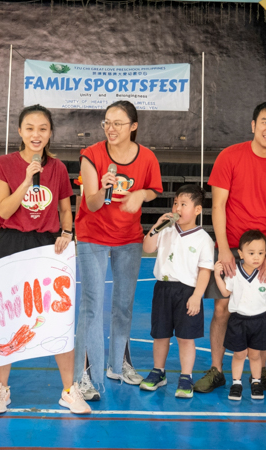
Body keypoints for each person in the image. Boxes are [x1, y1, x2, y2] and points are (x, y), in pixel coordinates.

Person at [0, 104, 90, 415]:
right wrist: (27, 178)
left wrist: (67, 232)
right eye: (30, 128)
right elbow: (4, 210)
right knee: (7, 318)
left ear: (50, 133)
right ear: (19, 132)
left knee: (59, 318)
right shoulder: (4, 164)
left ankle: (69, 391)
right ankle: (2, 389)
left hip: (47, 246)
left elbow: (64, 209)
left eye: (43, 129)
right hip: (12, 242)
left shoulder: (57, 168)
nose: (36, 134)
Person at [196, 101, 266, 395]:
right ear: (253, 125)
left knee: (263, 312)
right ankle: (216, 370)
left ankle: (259, 372)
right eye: (265, 122)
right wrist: (225, 249)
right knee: (223, 308)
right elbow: (218, 206)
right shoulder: (230, 157)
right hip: (231, 249)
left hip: (265, 254)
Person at [74, 100, 163, 401]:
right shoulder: (92, 155)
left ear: (133, 126)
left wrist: (140, 193)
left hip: (128, 238)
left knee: (123, 306)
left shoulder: (147, 157)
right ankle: (84, 375)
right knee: (92, 305)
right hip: (92, 236)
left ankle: (118, 364)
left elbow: (153, 189)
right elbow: (93, 204)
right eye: (106, 122)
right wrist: (103, 186)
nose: (110, 128)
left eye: (118, 123)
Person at [139, 185, 214, 398]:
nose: (177, 208)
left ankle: (185, 376)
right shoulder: (166, 230)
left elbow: (205, 271)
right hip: (163, 288)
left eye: (183, 204)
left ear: (197, 210)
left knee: (185, 337)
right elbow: (147, 248)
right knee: (160, 335)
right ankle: (158, 372)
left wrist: (197, 296)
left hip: (187, 292)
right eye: (175, 203)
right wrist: (156, 227)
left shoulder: (203, 239)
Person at [213, 230, 266, 401]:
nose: (256, 257)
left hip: (260, 321)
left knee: (255, 355)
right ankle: (236, 383)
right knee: (239, 354)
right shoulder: (235, 273)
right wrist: (216, 274)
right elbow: (224, 291)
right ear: (241, 254)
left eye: (261, 253)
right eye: (251, 253)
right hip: (238, 320)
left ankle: (256, 382)